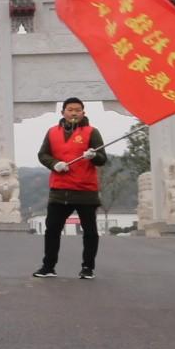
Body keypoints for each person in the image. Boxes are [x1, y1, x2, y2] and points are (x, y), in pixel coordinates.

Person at [35, 97, 108, 279]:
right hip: (60, 189)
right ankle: (48, 267)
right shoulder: (52, 132)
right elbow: (42, 154)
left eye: (77, 110)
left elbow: (102, 158)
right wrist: (54, 164)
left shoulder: (92, 132)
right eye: (70, 109)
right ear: (63, 113)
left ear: (83, 113)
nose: (74, 113)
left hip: (85, 190)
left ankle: (87, 268)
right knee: (52, 229)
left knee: (89, 231)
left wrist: (93, 156)